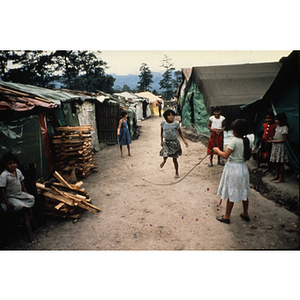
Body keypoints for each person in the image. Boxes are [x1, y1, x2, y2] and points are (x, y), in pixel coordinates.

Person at [213, 119, 252, 224]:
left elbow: (225, 155)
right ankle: (245, 213)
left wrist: (217, 150)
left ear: (236, 131)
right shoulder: (248, 141)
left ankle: (227, 216)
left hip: (234, 169)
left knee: (232, 192)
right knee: (244, 191)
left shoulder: (235, 141)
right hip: (243, 168)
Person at [160, 109, 188, 178]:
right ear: (166, 116)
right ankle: (164, 161)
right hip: (166, 142)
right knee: (165, 154)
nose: (171, 117)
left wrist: (184, 141)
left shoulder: (176, 124)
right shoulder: (163, 124)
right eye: (169, 115)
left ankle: (176, 172)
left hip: (174, 142)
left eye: (172, 115)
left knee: (174, 159)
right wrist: (161, 141)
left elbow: (180, 133)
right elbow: (161, 133)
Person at [268, 112, 289, 183]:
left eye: (277, 120)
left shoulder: (284, 128)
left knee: (281, 163)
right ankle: (277, 175)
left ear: (282, 120)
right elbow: (276, 135)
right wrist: (272, 138)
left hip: (280, 147)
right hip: (275, 146)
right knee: (276, 162)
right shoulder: (278, 126)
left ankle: (281, 178)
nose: (276, 121)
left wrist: (274, 141)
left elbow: (284, 139)